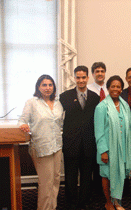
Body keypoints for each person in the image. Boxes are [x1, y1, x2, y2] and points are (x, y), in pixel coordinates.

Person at [18, 75, 64, 210]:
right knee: (46, 182)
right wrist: (23, 126)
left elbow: (60, 123)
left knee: (56, 180)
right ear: (38, 87)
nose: (47, 88)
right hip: (41, 146)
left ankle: (52, 207)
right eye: (44, 85)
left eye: (50, 85)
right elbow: (22, 120)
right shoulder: (32, 102)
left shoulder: (58, 103)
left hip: (57, 145)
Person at [59, 66, 100, 210]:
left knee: (87, 175)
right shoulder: (64, 96)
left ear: (88, 78)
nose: (81, 80)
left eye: (83, 77)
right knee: (70, 175)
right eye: (78, 77)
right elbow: (57, 118)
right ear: (74, 78)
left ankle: (85, 201)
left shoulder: (95, 97)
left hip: (89, 143)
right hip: (71, 143)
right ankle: (71, 202)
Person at [94, 75, 131, 210]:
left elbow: (128, 128)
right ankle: (108, 202)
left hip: (122, 148)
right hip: (108, 149)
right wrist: (103, 151)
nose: (115, 89)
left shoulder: (125, 106)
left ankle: (117, 202)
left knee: (119, 174)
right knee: (107, 176)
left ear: (122, 89)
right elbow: (99, 132)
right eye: (113, 86)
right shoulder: (102, 107)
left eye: (118, 86)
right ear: (108, 88)